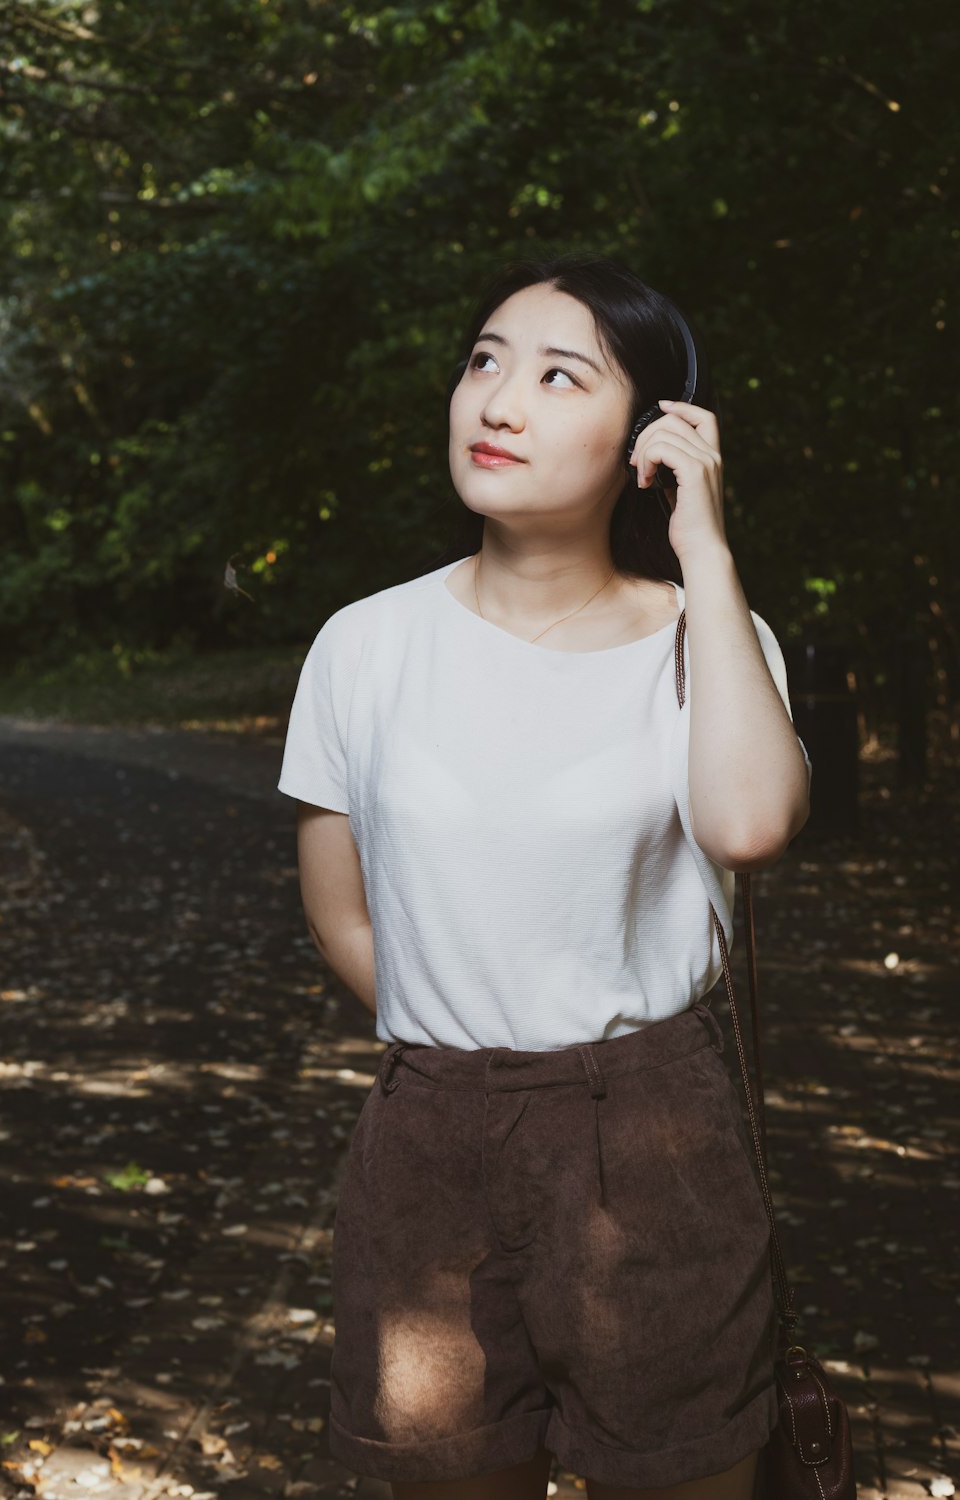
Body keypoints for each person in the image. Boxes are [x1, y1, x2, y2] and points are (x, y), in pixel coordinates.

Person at [277, 255, 812, 1500]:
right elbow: (341, 912)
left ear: (651, 436)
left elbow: (746, 826)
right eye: (483, 360)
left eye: (558, 375)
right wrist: (469, 1043)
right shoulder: (365, 645)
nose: (497, 401)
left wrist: (708, 553)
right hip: (427, 1136)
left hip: (653, 1135)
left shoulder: (711, 639)